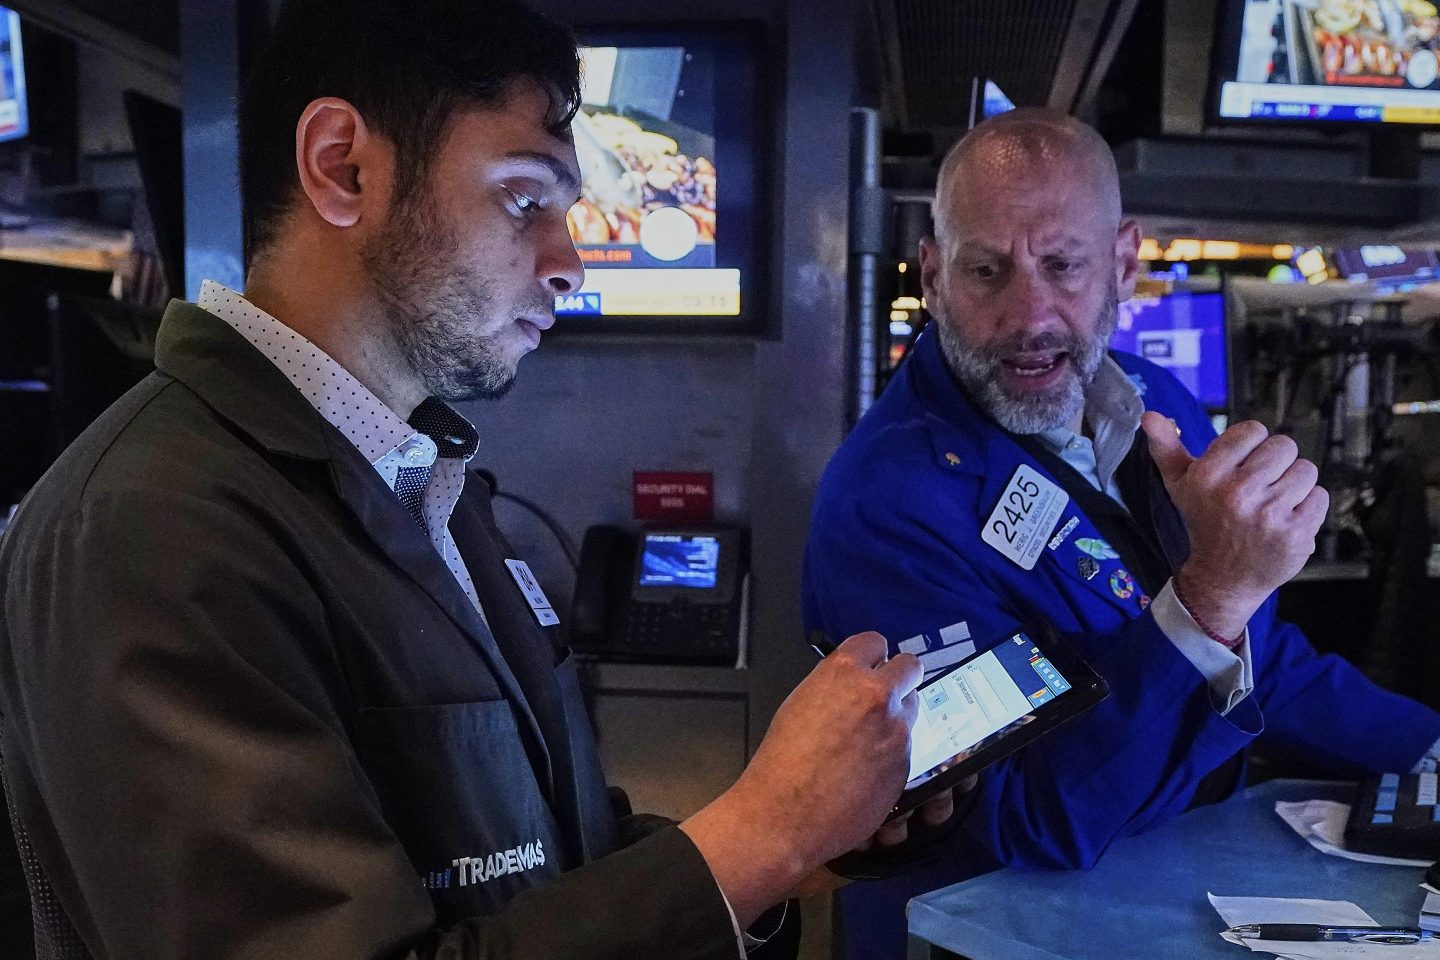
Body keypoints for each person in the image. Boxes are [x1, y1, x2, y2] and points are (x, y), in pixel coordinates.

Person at [0, 2, 956, 957]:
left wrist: (797, 848)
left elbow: (551, 857)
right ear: (345, 167)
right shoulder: (152, 525)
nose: (568, 265)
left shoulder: (427, 479)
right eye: (523, 198)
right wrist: (763, 830)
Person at [801, 107, 1440, 958]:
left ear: (1124, 263)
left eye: (1063, 266)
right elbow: (1026, 819)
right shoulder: (884, 505)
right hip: (990, 935)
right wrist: (1210, 596)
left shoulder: (1153, 400)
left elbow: (1263, 661)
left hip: (1164, 897)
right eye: (987, 270)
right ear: (934, 274)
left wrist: (1430, 751)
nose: (1031, 313)